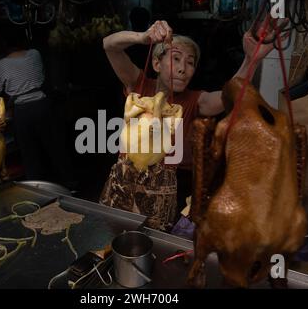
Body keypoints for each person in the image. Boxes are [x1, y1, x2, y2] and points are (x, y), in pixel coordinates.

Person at [99, 18, 285, 231]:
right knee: (114, 237)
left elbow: (231, 96)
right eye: (176, 59)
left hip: (167, 189)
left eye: (190, 63)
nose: (182, 69)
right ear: (157, 63)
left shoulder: (196, 100)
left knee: (155, 242)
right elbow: (109, 45)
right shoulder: (139, 84)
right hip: (126, 180)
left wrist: (251, 60)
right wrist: (142, 37)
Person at [0, 28, 76, 189]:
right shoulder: (34, 54)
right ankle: (70, 183)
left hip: (22, 111)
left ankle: (37, 191)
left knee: (30, 153)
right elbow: (40, 76)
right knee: (56, 146)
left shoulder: (2, 65)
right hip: (43, 105)